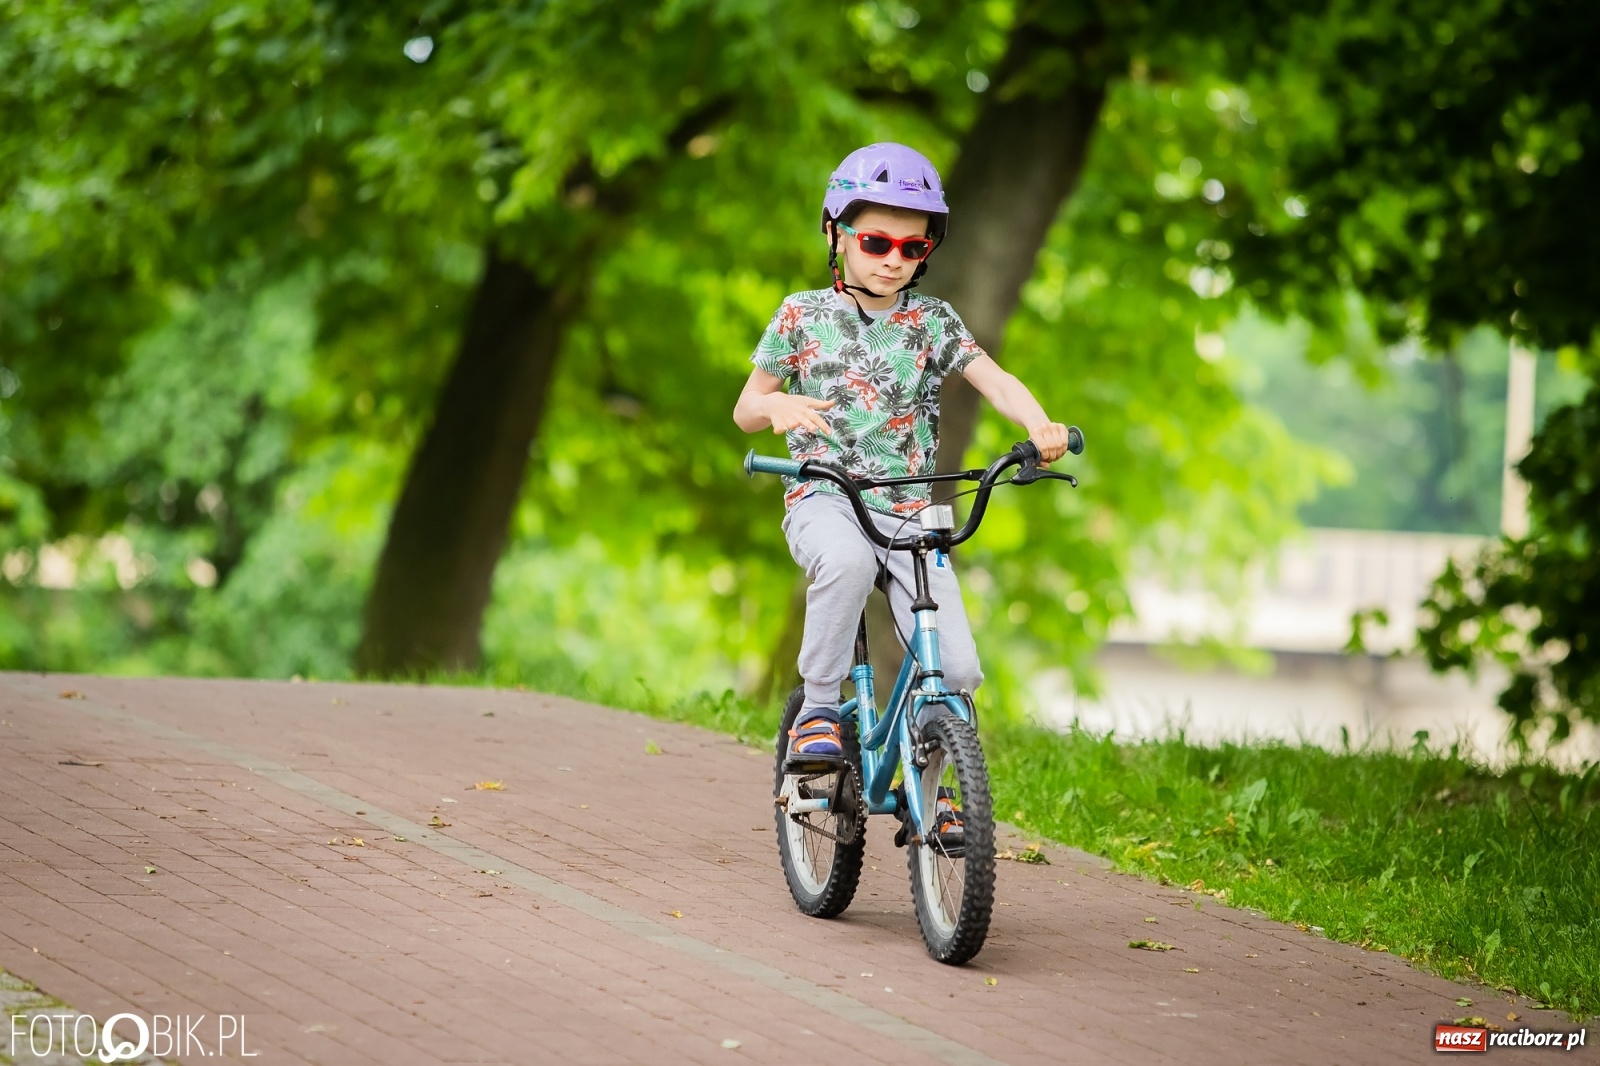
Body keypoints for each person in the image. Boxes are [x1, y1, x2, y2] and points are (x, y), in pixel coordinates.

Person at [732, 142, 1071, 764]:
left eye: (913, 249)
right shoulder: (800, 316)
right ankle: (817, 708)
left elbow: (994, 380)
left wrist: (1040, 423)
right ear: (837, 234)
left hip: (910, 510)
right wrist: (774, 408)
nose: (894, 261)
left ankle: (940, 791)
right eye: (876, 243)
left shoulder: (933, 322)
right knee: (847, 565)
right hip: (825, 496)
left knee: (960, 672)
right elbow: (745, 408)